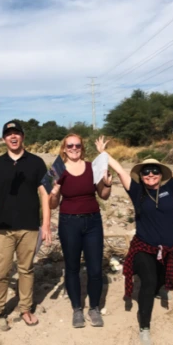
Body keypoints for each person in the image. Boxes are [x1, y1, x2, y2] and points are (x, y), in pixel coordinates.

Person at [102, 137, 173, 345]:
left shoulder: (171, 189)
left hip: (168, 247)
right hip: (144, 247)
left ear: (160, 174)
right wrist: (103, 152)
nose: (151, 174)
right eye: (146, 171)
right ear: (141, 175)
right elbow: (119, 170)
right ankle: (144, 326)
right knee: (148, 281)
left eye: (154, 171)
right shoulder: (137, 192)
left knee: (162, 277)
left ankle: (161, 289)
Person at [0, 120, 50, 331]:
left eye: (17, 133)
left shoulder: (37, 163)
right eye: (9, 134)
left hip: (29, 226)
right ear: (4, 138)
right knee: (0, 272)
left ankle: (25, 308)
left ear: (23, 136)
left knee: (26, 269)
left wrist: (46, 224)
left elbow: (44, 195)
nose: (13, 137)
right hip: (2, 227)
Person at [47, 133, 113, 329]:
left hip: (93, 222)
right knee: (72, 267)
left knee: (94, 268)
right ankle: (77, 309)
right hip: (69, 223)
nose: (74, 148)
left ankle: (94, 308)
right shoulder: (57, 169)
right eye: (70, 146)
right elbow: (52, 205)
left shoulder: (92, 166)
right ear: (64, 148)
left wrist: (107, 184)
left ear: (82, 147)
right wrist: (54, 194)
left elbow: (104, 195)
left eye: (77, 145)